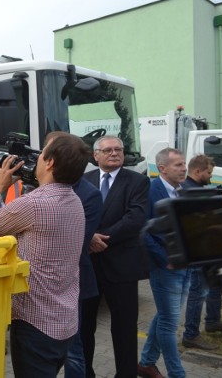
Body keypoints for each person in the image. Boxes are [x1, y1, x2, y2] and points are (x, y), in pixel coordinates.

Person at [0, 132, 90, 377]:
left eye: (41, 154)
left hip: (34, 326)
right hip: (65, 322)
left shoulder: (34, 204)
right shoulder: (75, 201)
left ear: (49, 163)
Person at [81, 135, 150, 378]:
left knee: (124, 330)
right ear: (95, 155)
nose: (114, 153)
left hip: (122, 267)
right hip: (88, 266)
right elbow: (74, 214)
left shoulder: (138, 181)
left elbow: (135, 219)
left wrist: (100, 239)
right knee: (83, 327)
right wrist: (89, 238)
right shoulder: (83, 180)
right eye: (108, 150)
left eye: (118, 149)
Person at [138, 148, 190, 378]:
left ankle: (146, 362)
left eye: (184, 164)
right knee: (170, 322)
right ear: (162, 168)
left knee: (165, 316)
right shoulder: (151, 191)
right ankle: (176, 373)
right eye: (178, 165)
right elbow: (143, 231)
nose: (184, 168)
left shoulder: (183, 190)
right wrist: (164, 258)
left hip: (187, 265)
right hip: (165, 267)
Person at [181, 154, 222, 351]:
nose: (210, 176)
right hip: (198, 254)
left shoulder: (198, 189)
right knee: (198, 293)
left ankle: (213, 320)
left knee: (214, 286)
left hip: (209, 251)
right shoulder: (188, 192)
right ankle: (191, 335)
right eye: (209, 173)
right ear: (197, 171)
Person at [64, 177, 103, 377]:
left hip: (73, 281)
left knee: (73, 347)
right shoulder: (38, 186)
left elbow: (78, 239)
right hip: (40, 284)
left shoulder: (89, 194)